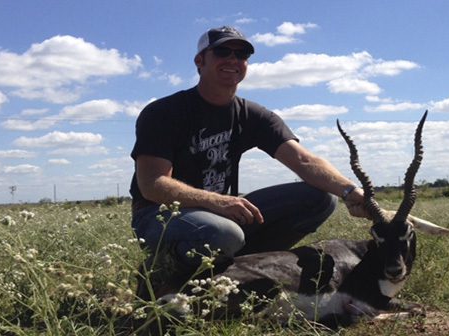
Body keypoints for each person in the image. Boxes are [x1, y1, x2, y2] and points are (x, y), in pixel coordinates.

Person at [129, 26, 368, 300]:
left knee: (321, 199)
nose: (233, 60)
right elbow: (152, 185)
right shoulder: (164, 112)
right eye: (222, 51)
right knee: (223, 232)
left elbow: (303, 160)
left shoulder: (252, 114)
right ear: (199, 61)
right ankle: (161, 276)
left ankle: (238, 269)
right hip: (160, 215)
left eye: (241, 54)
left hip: (217, 214)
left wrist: (351, 192)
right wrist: (218, 202)